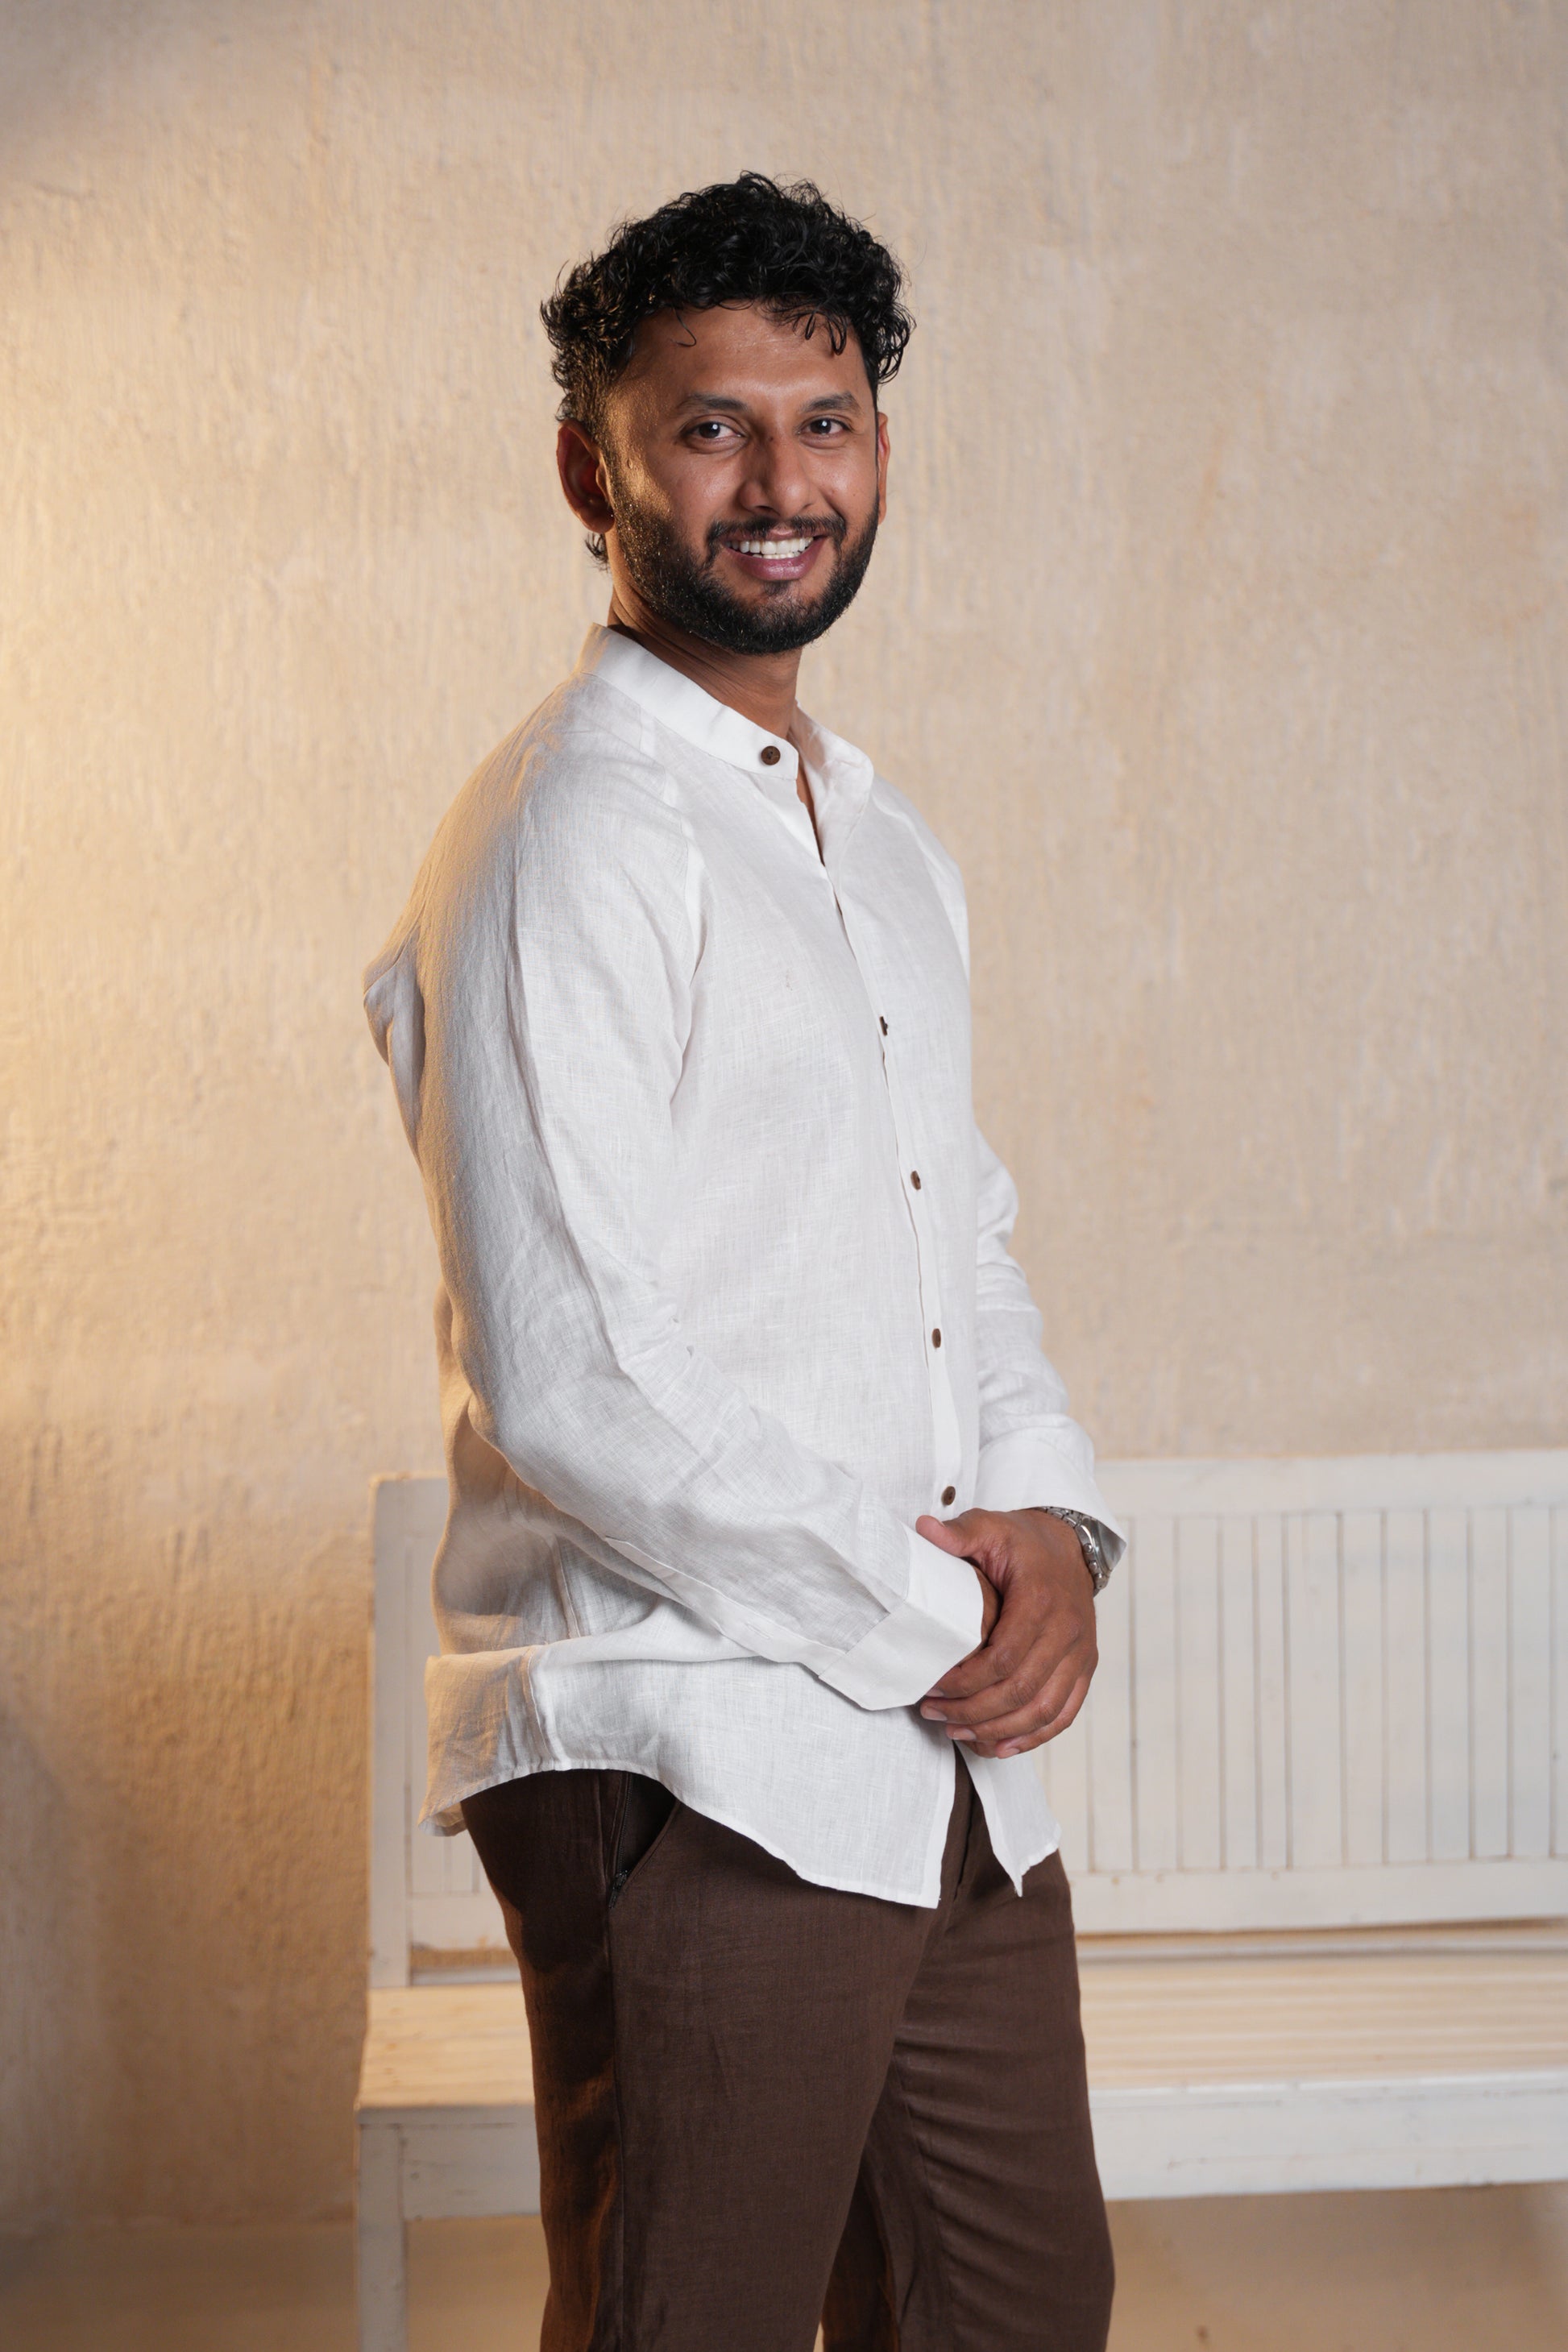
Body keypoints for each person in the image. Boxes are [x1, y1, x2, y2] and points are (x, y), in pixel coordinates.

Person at [364, 172, 1123, 2352]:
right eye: (710, 426)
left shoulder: (875, 841)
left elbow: (950, 1233)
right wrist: (935, 1612)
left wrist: (1057, 1524)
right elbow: (574, 1376)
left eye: (825, 418)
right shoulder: (568, 828)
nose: (780, 481)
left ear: (876, 446)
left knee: (1012, 2307)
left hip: (931, 1746)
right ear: (589, 464)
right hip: (685, 1736)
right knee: (681, 2318)